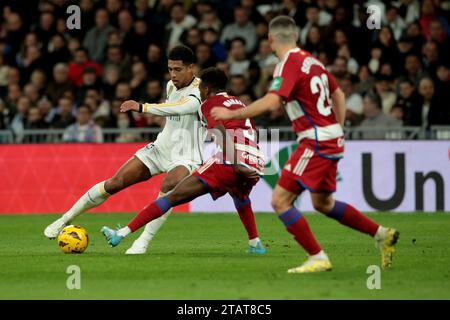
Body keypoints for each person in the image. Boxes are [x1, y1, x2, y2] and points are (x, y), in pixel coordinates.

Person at [211, 16, 399, 273]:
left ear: (269, 39)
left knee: (279, 200)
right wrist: (338, 128)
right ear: (297, 36)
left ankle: (317, 257)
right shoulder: (313, 62)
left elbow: (272, 102)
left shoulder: (288, 63)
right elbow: (339, 94)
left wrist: (232, 115)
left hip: (316, 141)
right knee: (323, 203)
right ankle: (381, 234)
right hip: (330, 137)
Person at [44, 45, 203, 255]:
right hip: (161, 148)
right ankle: (64, 219)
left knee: (170, 183)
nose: (173, 74)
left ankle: (142, 242)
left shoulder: (202, 90)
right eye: (170, 69)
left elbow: (183, 108)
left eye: (178, 69)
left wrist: (142, 107)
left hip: (187, 156)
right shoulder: (171, 86)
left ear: (191, 68)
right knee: (114, 183)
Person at [100, 67, 266, 255]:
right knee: (240, 196)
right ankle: (255, 244)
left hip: (230, 161)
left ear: (207, 89)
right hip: (255, 160)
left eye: (201, 87)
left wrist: (236, 164)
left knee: (171, 196)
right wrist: (246, 161)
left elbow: (220, 133)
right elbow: (253, 132)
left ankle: (121, 234)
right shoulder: (239, 103)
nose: (199, 91)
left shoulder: (209, 103)